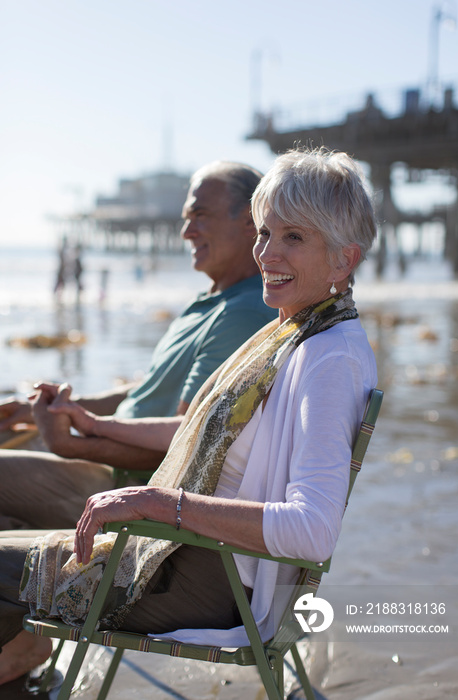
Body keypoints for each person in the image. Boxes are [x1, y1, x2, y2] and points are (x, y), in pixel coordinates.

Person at [0, 147, 378, 686]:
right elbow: (204, 427)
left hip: (208, 579)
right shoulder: (301, 332)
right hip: (189, 558)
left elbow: (313, 530)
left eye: (293, 237)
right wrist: (98, 423)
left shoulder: (328, 357)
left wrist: (159, 502)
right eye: (265, 233)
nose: (268, 254)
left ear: (345, 258)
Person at [0, 161, 275, 530]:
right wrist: (62, 408)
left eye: (200, 215)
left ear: (249, 221)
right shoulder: (212, 302)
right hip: (111, 463)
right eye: (185, 218)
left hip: (128, 488)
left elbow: (185, 444)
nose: (185, 232)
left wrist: (74, 443)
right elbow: (149, 390)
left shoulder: (241, 315)